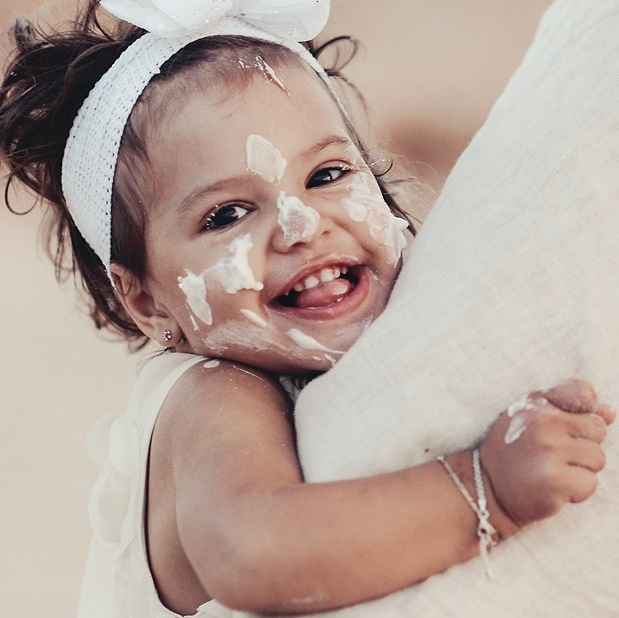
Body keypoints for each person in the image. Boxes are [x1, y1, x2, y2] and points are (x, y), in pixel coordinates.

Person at [0, 1, 613, 617]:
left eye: (327, 174)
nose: (302, 224)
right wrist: (486, 490)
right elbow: (253, 553)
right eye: (228, 215)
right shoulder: (210, 397)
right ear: (148, 301)